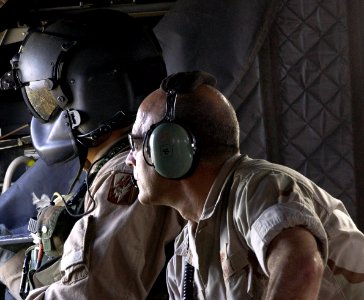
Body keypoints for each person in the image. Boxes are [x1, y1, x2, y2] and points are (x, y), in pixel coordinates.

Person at [0, 9, 184, 299]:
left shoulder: (128, 175)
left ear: (90, 95)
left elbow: (87, 292)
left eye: (46, 99)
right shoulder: (132, 161)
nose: (43, 113)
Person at [125, 70, 364, 299]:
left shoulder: (258, 189)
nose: (129, 159)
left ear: (169, 149)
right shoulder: (182, 261)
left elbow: (302, 267)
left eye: (136, 142)